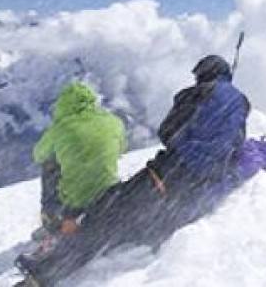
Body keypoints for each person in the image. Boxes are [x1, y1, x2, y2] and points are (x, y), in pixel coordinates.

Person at [16, 55, 252, 285]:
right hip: (198, 189)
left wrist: (189, 146)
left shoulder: (194, 94)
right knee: (128, 219)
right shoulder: (241, 102)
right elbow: (235, 144)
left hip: (166, 176)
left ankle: (44, 273)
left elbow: (167, 133)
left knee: (106, 216)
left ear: (203, 74)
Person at [32, 82, 126, 241]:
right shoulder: (114, 122)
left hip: (73, 204)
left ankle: (53, 222)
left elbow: (38, 155)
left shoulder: (60, 128)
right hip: (108, 194)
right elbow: (122, 148)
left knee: (49, 164)